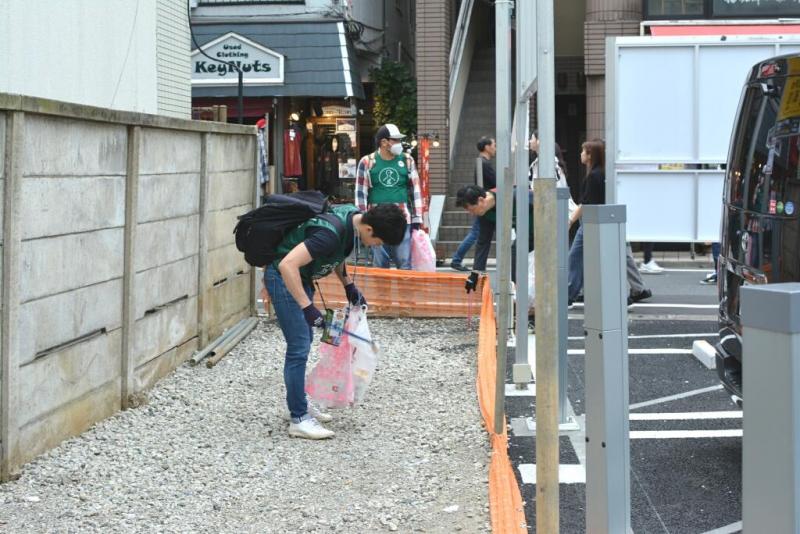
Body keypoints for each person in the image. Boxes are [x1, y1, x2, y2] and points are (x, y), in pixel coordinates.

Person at [266, 203, 406, 439]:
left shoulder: (353, 221)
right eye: (379, 242)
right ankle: (298, 418)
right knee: (299, 347)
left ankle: (299, 403)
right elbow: (287, 265)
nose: (377, 247)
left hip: (303, 278)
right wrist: (307, 307)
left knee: (305, 341)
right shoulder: (329, 234)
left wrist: (348, 284)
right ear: (370, 229)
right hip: (283, 278)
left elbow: (337, 253)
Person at [567, 139, 652, 306]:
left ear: (590, 155)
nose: (581, 154)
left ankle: (571, 293)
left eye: (583, 151)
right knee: (622, 254)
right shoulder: (605, 173)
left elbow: (586, 204)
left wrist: (570, 220)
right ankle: (638, 288)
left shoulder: (593, 176)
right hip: (610, 218)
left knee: (576, 257)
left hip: (592, 222)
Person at [355, 124, 423, 270]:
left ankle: (405, 293)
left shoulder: (407, 160)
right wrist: (361, 218)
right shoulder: (367, 162)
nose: (399, 144)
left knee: (404, 262)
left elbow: (416, 189)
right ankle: (381, 293)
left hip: (402, 218)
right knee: (380, 264)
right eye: (395, 140)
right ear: (384, 142)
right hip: (376, 220)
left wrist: (418, 217)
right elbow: (361, 192)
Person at [455, 185, 533, 292]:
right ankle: (519, 294)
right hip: (527, 234)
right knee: (516, 251)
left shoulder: (513, 196)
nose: (472, 214)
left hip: (546, 228)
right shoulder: (485, 213)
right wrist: (475, 274)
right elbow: (483, 243)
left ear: (481, 200)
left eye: (472, 210)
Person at [450, 136, 497, 271]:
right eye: (494, 145)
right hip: (486, 205)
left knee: (479, 236)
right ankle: (457, 259)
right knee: (477, 234)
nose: (495, 148)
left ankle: (468, 265)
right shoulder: (484, 164)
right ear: (487, 147)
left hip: (483, 204)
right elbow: (496, 183)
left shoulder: (480, 162)